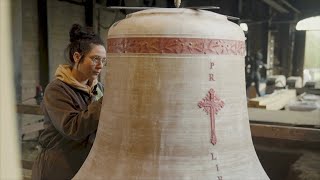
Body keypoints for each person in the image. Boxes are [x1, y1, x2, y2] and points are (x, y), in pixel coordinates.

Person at [32, 24, 107, 180]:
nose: (100, 66)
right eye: (95, 59)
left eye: (104, 60)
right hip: (59, 168)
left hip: (85, 166)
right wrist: (107, 101)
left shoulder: (98, 88)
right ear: (77, 57)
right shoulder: (57, 90)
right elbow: (73, 128)